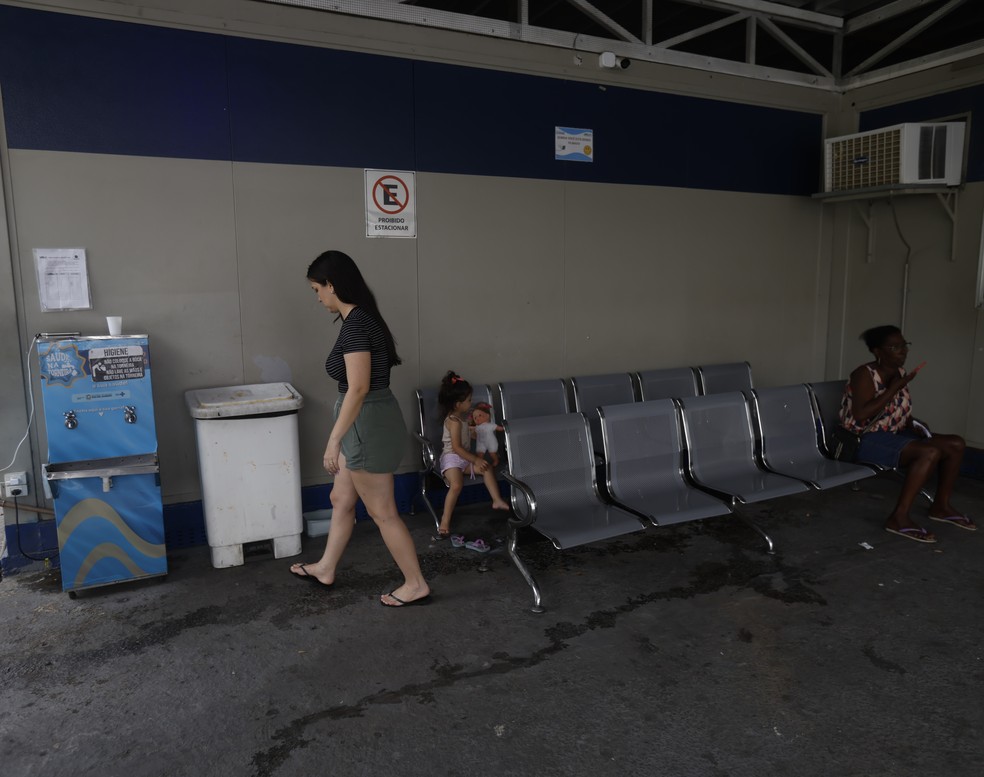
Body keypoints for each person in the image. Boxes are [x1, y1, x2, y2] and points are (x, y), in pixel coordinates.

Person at [289, 250, 430, 607]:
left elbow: (358, 388)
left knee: (382, 511)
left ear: (331, 285)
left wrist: (332, 442)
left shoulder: (355, 326)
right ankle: (325, 567)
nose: (318, 297)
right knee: (341, 499)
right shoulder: (363, 318)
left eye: (316, 289)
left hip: (365, 424)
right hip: (365, 419)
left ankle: (415, 583)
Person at [839, 324, 973, 543]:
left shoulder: (898, 373)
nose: (902, 351)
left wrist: (912, 421)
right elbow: (862, 415)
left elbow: (892, 410)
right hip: (864, 439)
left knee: (955, 443)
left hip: (894, 434)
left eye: (904, 345)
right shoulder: (864, 374)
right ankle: (898, 518)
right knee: (928, 452)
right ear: (877, 351)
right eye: (894, 347)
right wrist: (894, 387)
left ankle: (941, 506)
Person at [434, 371, 509, 544]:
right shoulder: (453, 421)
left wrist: (479, 435)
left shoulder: (463, 419)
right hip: (452, 458)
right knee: (456, 485)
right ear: (458, 404)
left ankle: (496, 500)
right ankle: (445, 520)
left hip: (464, 459)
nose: (471, 403)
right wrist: (475, 459)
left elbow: (468, 438)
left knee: (487, 468)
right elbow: (457, 447)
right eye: (468, 400)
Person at [470, 401, 503, 468]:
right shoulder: (477, 427)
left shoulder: (490, 425)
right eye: (475, 418)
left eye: (480, 415)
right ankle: (481, 463)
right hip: (480, 444)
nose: (478, 418)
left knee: (492, 453)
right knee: (480, 454)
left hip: (490, 443)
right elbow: (472, 430)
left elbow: (500, 428)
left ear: (488, 416)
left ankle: (495, 460)